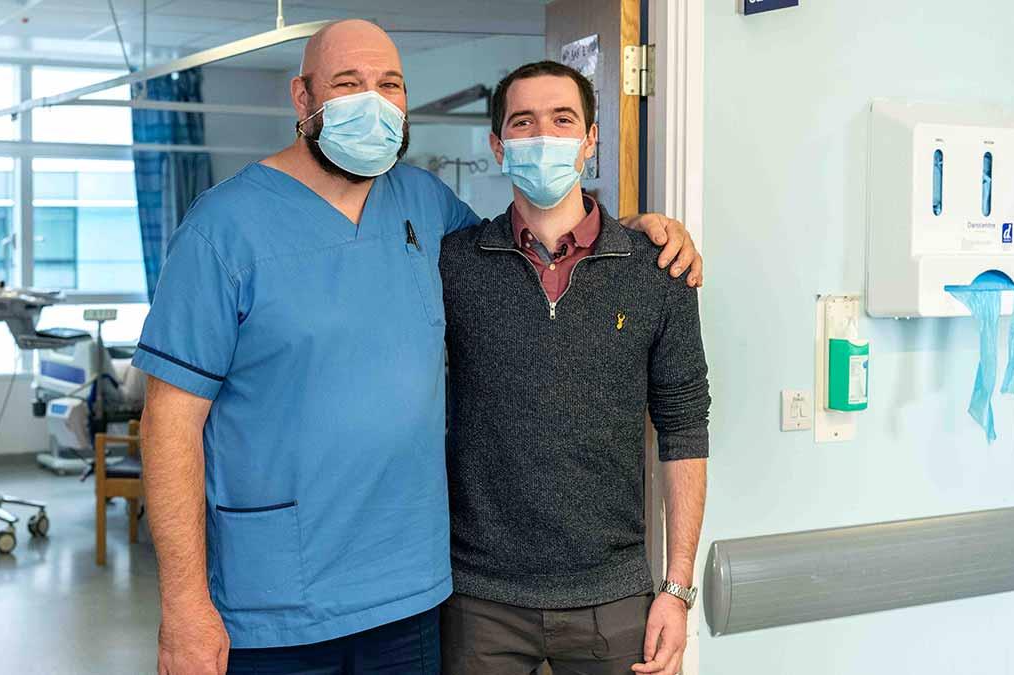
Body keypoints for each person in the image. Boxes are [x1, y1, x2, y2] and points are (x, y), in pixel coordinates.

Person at [133, 21, 703, 675]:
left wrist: (635, 233)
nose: (372, 102)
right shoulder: (221, 228)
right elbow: (170, 421)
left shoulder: (426, 207)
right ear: (302, 99)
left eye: (390, 85)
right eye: (348, 84)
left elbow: (528, 248)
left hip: (414, 594)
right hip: (277, 600)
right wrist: (183, 603)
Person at [438, 61, 711, 675]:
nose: (543, 137)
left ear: (590, 141)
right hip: (480, 598)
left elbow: (685, 427)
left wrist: (676, 589)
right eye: (523, 123)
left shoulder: (656, 269)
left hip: (613, 598)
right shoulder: (455, 264)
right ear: (497, 145)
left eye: (563, 121)